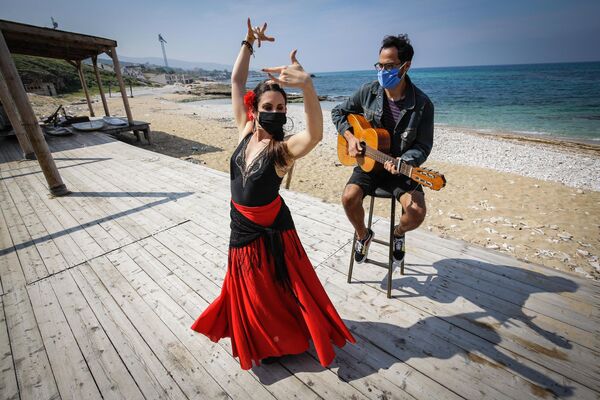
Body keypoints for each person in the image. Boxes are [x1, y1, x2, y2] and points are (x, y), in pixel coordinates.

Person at [191, 19, 355, 370]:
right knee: (251, 291)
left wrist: (307, 86)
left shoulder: (283, 150)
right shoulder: (245, 128)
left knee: (272, 290)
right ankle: (262, 340)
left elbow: (313, 134)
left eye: (281, 108)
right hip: (240, 225)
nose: (275, 113)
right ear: (255, 108)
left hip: (270, 230)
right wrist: (248, 44)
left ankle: (285, 339)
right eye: (269, 107)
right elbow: (235, 81)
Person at [331, 34, 434, 265]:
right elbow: (337, 112)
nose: (383, 70)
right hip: (369, 164)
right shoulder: (369, 91)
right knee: (348, 198)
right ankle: (363, 235)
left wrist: (404, 161)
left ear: (405, 66)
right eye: (380, 65)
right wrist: (349, 137)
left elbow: (424, 146)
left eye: (390, 66)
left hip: (400, 168)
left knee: (417, 212)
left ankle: (398, 233)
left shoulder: (423, 105)